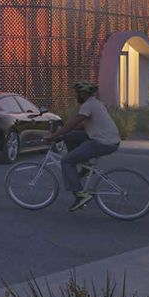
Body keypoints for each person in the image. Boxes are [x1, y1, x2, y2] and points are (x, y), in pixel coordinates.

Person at [44, 81, 121, 212]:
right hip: (108, 139)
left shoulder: (88, 105)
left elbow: (73, 123)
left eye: (78, 93)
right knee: (70, 136)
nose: (76, 96)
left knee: (66, 161)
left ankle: (81, 196)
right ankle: (85, 166)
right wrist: (62, 135)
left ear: (84, 93)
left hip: (102, 142)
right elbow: (82, 126)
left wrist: (53, 136)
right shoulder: (96, 104)